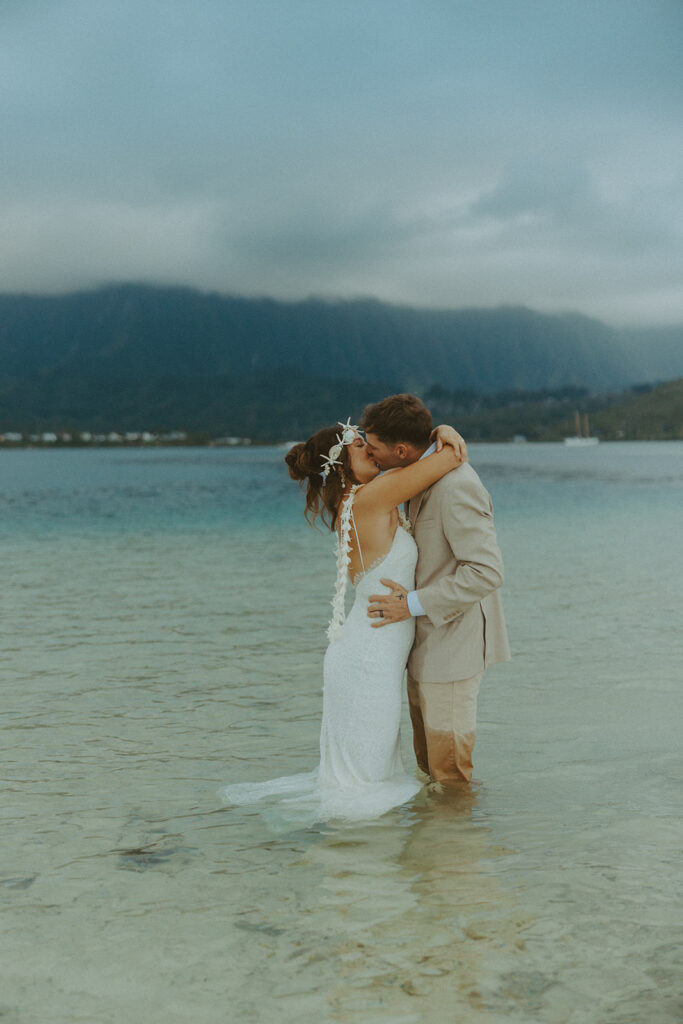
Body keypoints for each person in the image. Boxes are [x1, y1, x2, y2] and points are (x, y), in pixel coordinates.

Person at [219, 417, 466, 823]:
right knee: (365, 786)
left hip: (366, 651)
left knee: (369, 774)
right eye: (358, 446)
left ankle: (360, 860)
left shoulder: (359, 500)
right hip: (368, 657)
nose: (370, 448)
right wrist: (442, 430)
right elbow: (448, 459)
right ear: (339, 465)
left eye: (366, 441)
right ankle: (357, 867)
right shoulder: (374, 496)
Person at [362, 394, 510, 785]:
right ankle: (437, 845)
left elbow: (486, 571)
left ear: (401, 450)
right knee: (429, 767)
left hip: (452, 648)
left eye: (374, 448)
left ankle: (461, 843)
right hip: (422, 645)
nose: (370, 455)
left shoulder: (456, 486)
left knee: (452, 773)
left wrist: (408, 604)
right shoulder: (417, 474)